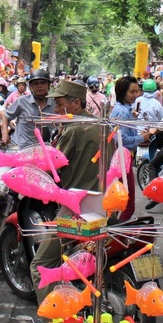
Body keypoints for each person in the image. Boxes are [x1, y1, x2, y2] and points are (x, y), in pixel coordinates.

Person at [30, 80, 101, 303]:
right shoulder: (102, 125)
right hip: (105, 204)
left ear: (76, 104)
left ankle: (54, 316)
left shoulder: (73, 130)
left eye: (60, 105)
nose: (57, 110)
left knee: (40, 265)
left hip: (75, 207)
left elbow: (51, 164)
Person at [110, 76, 148, 221]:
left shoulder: (124, 110)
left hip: (121, 159)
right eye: (131, 92)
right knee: (127, 206)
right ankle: (115, 238)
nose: (135, 95)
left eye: (137, 91)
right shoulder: (122, 112)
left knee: (119, 204)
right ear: (122, 92)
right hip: (122, 159)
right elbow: (122, 139)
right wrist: (142, 138)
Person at [3, 68, 55, 148]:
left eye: (43, 83)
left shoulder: (55, 104)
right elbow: (6, 116)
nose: (40, 86)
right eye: (36, 83)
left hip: (45, 149)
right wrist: (5, 134)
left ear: (48, 85)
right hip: (20, 147)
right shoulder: (21, 101)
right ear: (31, 87)